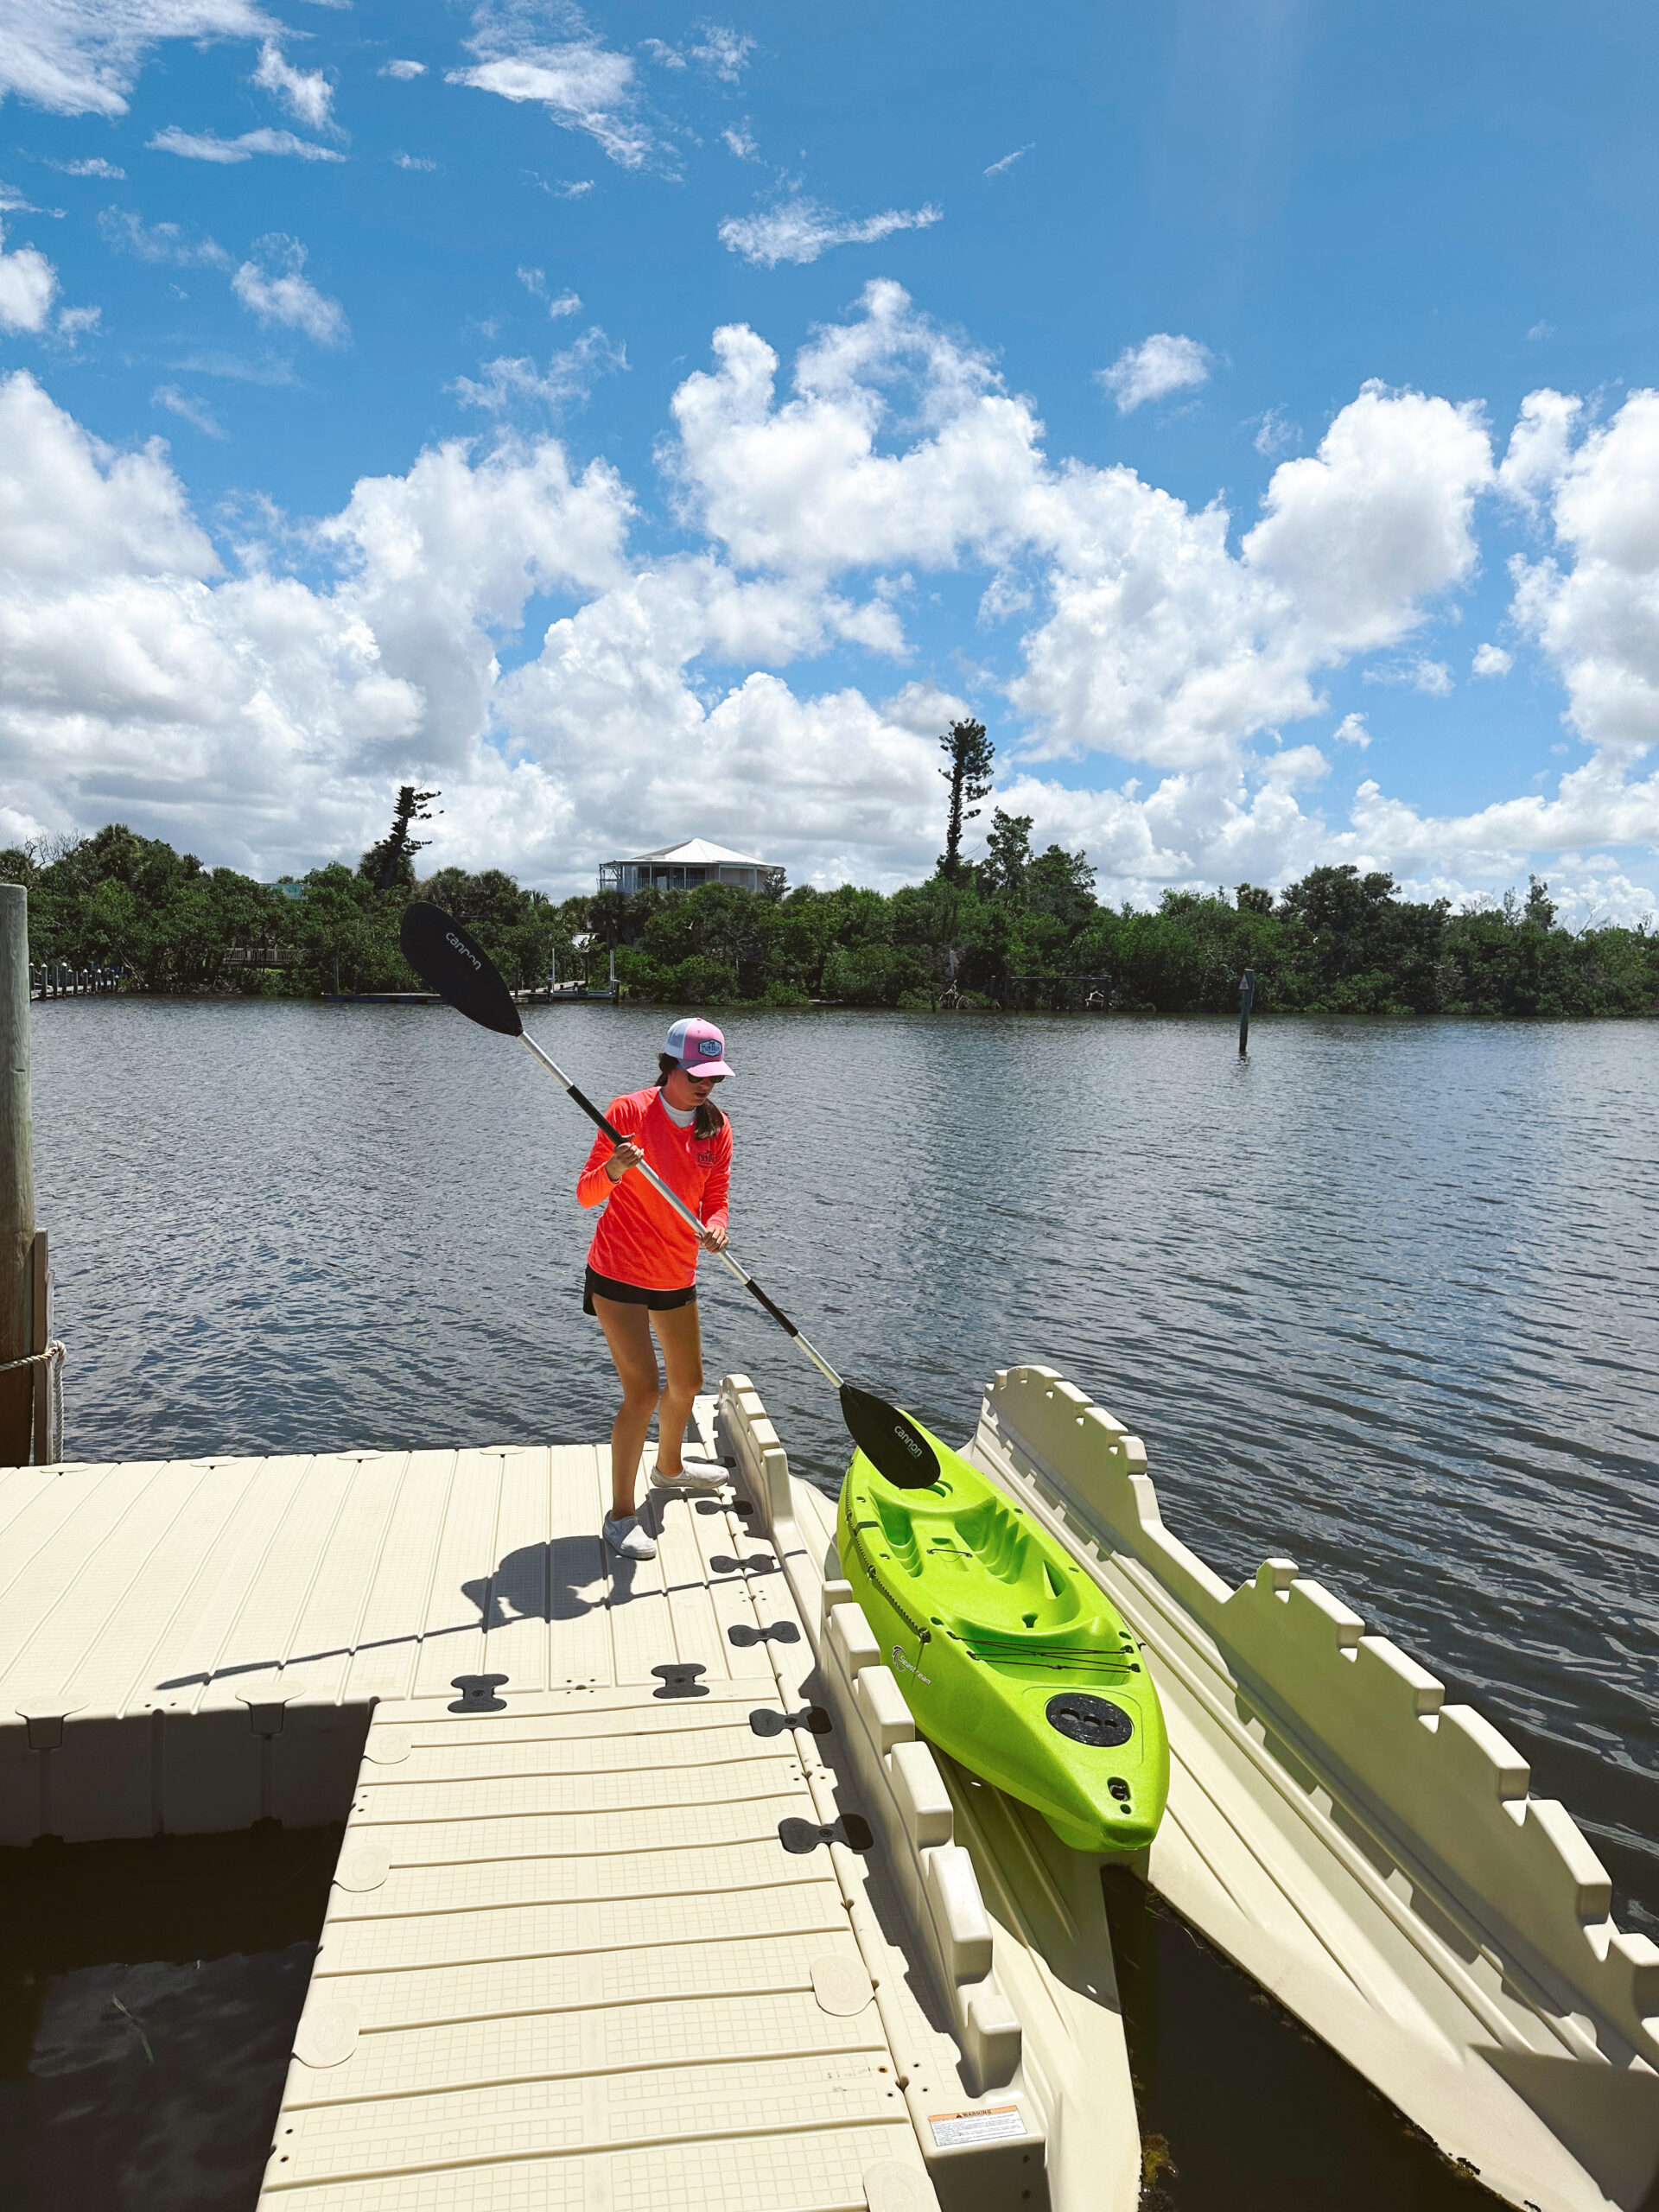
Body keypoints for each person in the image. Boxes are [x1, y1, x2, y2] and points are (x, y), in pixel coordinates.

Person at [576, 1017, 734, 1560]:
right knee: (642, 1392)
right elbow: (585, 1195)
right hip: (618, 1274)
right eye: (697, 1073)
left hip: (676, 1272)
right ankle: (620, 1515)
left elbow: (715, 1195)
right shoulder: (626, 1113)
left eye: (714, 1075)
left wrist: (716, 1225)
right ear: (670, 1066)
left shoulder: (717, 1128)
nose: (706, 1084)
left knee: (688, 1383)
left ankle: (669, 1469)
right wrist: (616, 1167)